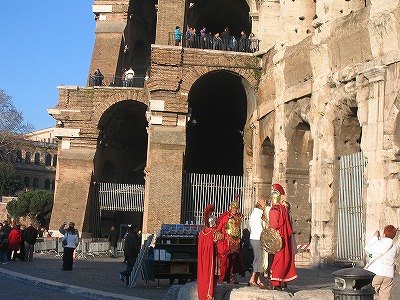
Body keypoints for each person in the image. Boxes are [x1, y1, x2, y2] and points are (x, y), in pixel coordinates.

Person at [268, 183, 297, 290]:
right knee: (285, 258)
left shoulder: (274, 209)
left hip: (278, 238)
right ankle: (282, 281)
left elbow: (274, 225)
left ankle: (275, 282)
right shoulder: (283, 209)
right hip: (285, 237)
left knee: (277, 260)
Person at [216, 195, 245, 284]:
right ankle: (221, 278)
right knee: (224, 260)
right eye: (233, 208)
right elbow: (219, 228)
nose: (235, 210)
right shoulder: (226, 217)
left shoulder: (238, 217)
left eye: (236, 208)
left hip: (235, 242)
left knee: (233, 260)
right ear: (231, 208)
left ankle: (230, 277)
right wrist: (220, 235)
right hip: (226, 241)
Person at [364, 225, 398, 300]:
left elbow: (367, 248)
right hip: (389, 274)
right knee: (385, 296)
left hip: (376, 272)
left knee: (371, 294)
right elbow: (395, 255)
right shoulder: (395, 247)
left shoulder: (379, 243)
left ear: (384, 234)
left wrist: (375, 238)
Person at [197, 204, 223, 300]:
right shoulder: (213, 233)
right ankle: (210, 294)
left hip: (205, 258)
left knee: (205, 276)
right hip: (213, 258)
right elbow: (221, 241)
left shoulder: (202, 232)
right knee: (212, 276)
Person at [248, 199, 268, 287]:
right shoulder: (259, 213)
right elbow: (263, 224)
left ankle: (258, 279)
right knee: (258, 259)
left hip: (254, 237)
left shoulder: (254, 213)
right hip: (257, 238)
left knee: (259, 258)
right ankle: (252, 279)